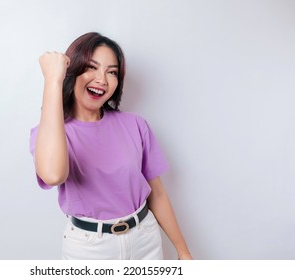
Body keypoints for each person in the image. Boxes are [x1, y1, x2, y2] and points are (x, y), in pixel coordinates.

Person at [29, 32, 192, 260]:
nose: (102, 80)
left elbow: (157, 193)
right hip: (89, 249)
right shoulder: (49, 135)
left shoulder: (135, 125)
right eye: (91, 67)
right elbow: (53, 175)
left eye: (112, 72)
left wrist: (183, 251)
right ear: (71, 72)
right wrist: (53, 80)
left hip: (145, 239)